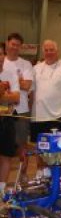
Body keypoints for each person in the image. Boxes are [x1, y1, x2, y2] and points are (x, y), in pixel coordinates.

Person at [31, 40, 61, 174]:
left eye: (51, 49)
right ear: (43, 52)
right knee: (40, 149)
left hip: (58, 116)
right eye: (46, 50)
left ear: (57, 51)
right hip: (38, 117)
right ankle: (40, 175)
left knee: (60, 148)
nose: (49, 52)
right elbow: (31, 91)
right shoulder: (36, 68)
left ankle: (59, 175)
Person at [4, 32, 33, 179]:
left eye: (18, 45)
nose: (14, 47)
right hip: (3, 111)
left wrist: (9, 83)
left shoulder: (25, 64)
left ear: (21, 47)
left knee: (22, 144)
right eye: (12, 44)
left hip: (21, 110)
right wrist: (18, 81)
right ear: (7, 43)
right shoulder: (2, 61)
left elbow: (27, 86)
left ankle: (23, 174)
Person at [0, 42, 20, 183]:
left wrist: (2, 95)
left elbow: (16, 98)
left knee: (6, 157)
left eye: (1, 53)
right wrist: (6, 96)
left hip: (7, 120)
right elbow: (10, 96)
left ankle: (1, 193)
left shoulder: (11, 74)